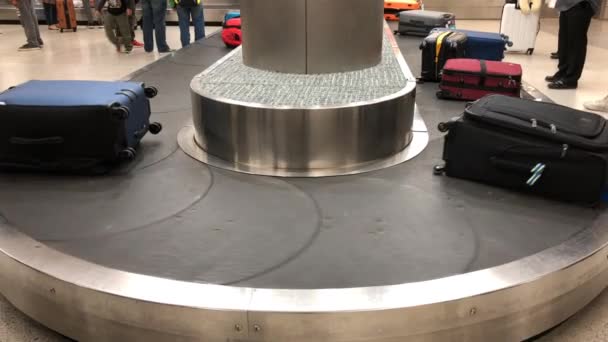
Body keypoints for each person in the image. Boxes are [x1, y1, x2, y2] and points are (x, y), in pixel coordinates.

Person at [545, 0, 599, 89]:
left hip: (581, 4)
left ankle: (570, 79)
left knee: (576, 42)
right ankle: (563, 72)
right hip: (565, 4)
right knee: (564, 41)